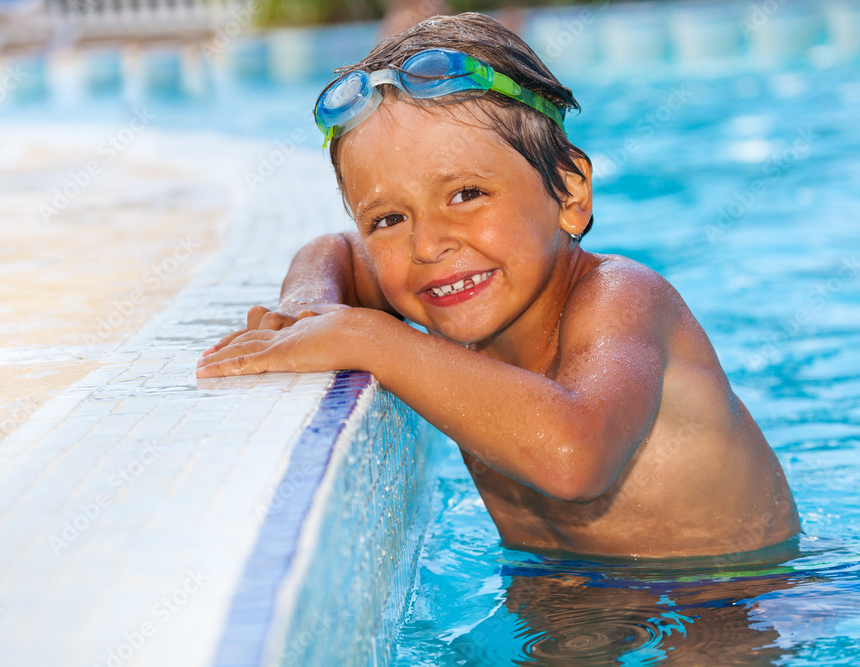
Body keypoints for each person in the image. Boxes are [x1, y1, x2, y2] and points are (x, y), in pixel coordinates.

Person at [197, 13, 799, 558]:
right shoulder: (452, 283)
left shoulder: (623, 297)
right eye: (389, 219)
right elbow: (331, 253)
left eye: (467, 195)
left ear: (568, 192)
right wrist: (308, 307)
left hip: (728, 594)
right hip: (560, 588)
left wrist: (370, 338)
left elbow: (574, 456)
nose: (427, 245)